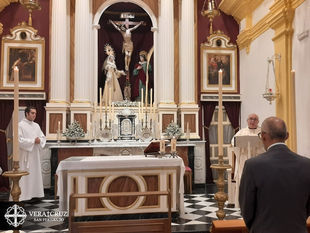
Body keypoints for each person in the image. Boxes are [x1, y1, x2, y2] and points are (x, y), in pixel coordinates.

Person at [239, 117, 310, 233]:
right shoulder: (307, 164)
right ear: (287, 136)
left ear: (263, 136)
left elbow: (246, 208)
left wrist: (257, 227)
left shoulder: (252, 165)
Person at [230, 113, 263, 208]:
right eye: (250, 119)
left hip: (258, 160)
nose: (252, 121)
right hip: (243, 161)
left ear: (258, 121)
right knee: (243, 181)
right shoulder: (241, 132)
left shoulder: (262, 132)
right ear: (247, 120)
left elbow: (265, 145)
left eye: (255, 119)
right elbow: (233, 143)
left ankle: (258, 203)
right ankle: (242, 203)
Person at [17, 106, 46, 202]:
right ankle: (24, 195)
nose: (34, 115)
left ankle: (35, 194)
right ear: (26, 114)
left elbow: (42, 137)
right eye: (32, 113)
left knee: (35, 173)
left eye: (35, 113)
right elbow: (19, 140)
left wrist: (39, 140)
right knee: (25, 174)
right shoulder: (20, 125)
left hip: (35, 154)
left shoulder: (36, 125)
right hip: (25, 155)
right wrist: (33, 141)